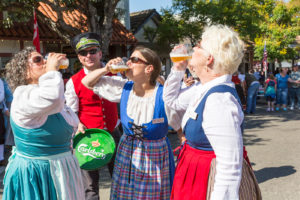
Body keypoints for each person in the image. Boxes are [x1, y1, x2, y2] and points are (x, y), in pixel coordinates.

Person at [163, 25, 261, 200]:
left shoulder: (220, 100)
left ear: (209, 58)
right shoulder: (203, 88)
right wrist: (178, 68)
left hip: (207, 177)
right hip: (195, 172)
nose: (193, 48)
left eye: (199, 46)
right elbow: (171, 100)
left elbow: (230, 168)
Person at [81, 46, 175, 200]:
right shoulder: (123, 87)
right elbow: (87, 82)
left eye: (134, 60)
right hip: (127, 154)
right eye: (129, 59)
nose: (128, 63)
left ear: (149, 68)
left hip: (156, 155)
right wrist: (106, 68)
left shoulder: (164, 93)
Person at [2, 47, 84, 199]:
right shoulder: (23, 95)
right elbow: (51, 98)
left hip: (63, 170)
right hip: (37, 173)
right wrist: (53, 70)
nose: (45, 62)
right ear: (25, 72)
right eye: (38, 60)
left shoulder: (49, 94)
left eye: (44, 58)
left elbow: (58, 107)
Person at [65, 32, 121, 200]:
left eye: (92, 51)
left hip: (113, 132)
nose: (88, 56)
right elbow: (71, 110)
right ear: (79, 57)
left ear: (100, 53)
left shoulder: (115, 73)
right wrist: (78, 124)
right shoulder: (73, 81)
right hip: (87, 136)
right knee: (89, 186)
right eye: (83, 53)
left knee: (120, 179)